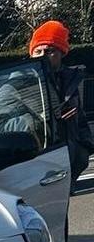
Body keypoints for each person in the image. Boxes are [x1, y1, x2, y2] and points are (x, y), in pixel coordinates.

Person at [28, 20, 93, 178]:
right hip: (34, 167)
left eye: (50, 51)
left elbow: (80, 119)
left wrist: (83, 152)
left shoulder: (70, 80)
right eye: (38, 51)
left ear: (62, 53)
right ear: (31, 54)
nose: (43, 56)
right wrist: (45, 120)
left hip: (67, 167)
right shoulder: (19, 84)